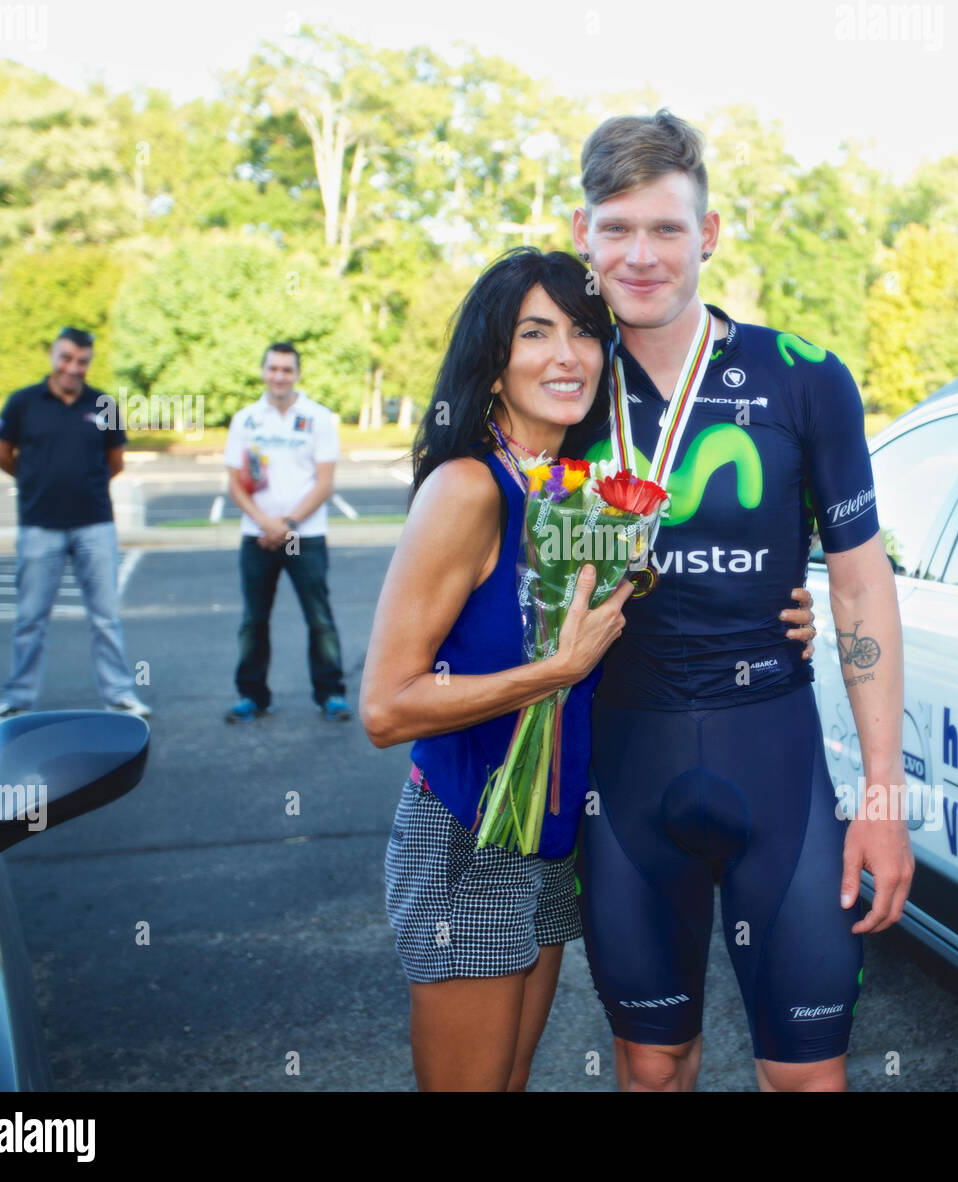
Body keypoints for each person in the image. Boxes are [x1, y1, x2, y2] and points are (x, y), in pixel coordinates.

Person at [569, 111, 914, 1092]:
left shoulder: (802, 376)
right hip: (622, 770)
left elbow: (858, 581)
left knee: (807, 1078)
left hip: (775, 761)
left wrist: (882, 798)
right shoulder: (559, 379)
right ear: (584, 232)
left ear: (708, 234)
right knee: (652, 1065)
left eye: (667, 229)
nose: (641, 255)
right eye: (617, 228)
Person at [359, 248, 634, 1091]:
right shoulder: (469, 487)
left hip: (544, 836)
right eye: (536, 333)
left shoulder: (568, 492)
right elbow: (385, 707)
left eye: (585, 333)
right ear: (492, 361)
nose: (567, 355)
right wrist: (554, 670)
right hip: (468, 830)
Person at [0, 327, 150, 728]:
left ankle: (120, 697)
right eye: (66, 358)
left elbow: (115, 462)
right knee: (30, 618)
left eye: (82, 361)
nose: (73, 367)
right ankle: (17, 701)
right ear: (53, 356)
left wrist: (81, 485)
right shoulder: (23, 403)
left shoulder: (103, 403)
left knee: (105, 616)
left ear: (89, 362)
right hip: (40, 525)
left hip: (95, 525)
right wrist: (37, 480)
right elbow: (2, 455)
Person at [223, 342, 351, 722]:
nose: (279, 376)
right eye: (273, 369)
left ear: (297, 374)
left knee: (319, 618)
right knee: (253, 620)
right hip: (257, 534)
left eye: (286, 370)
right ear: (263, 371)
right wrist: (265, 523)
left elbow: (324, 483)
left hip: (303, 535)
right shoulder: (245, 420)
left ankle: (330, 694)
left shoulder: (318, 418)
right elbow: (233, 482)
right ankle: (252, 696)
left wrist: (287, 524)